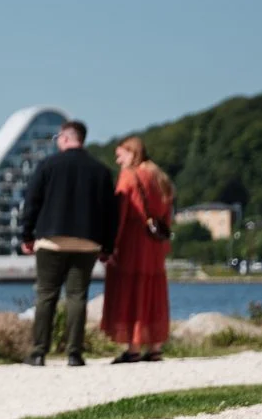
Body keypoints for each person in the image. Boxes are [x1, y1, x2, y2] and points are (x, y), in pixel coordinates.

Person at [18, 120, 118, 367]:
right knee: (77, 296)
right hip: (87, 242)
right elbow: (110, 212)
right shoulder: (100, 170)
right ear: (82, 139)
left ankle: (39, 351)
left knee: (46, 295)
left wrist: (27, 235)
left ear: (64, 138)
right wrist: (107, 246)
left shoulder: (48, 166)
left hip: (51, 240)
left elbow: (32, 202)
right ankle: (74, 354)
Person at [102, 136, 175, 362]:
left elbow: (121, 214)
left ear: (133, 153)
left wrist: (111, 244)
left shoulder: (129, 176)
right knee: (153, 292)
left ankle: (133, 347)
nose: (117, 160)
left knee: (132, 291)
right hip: (154, 244)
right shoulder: (160, 177)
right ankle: (155, 347)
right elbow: (168, 214)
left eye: (120, 154)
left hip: (132, 243)